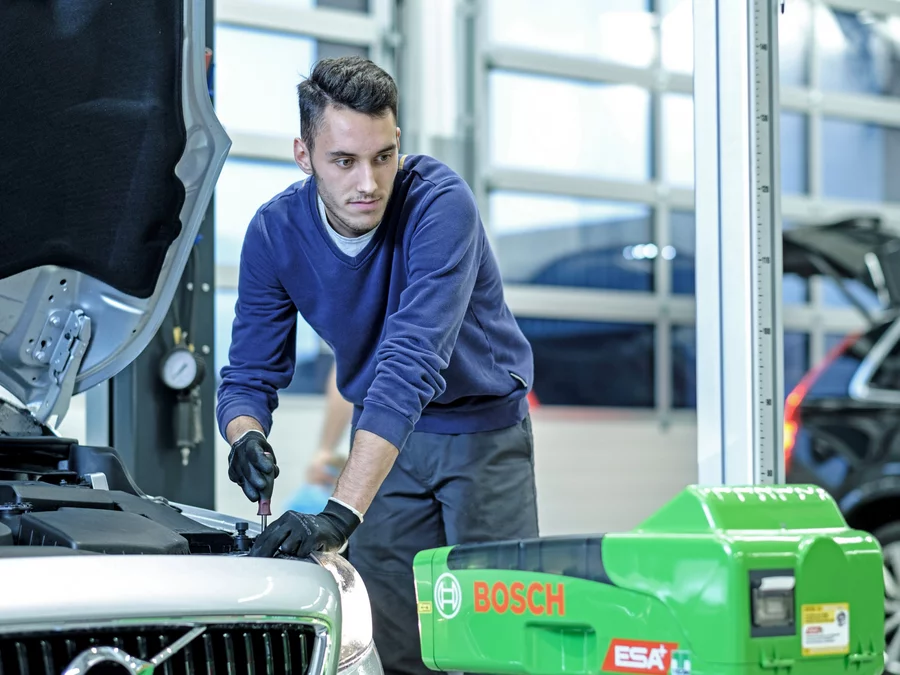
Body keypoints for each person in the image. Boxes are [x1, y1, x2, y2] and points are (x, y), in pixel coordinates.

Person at [216, 55, 539, 675]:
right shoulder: (275, 234)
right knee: (397, 642)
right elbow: (247, 376)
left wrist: (339, 513)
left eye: (383, 156)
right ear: (304, 155)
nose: (368, 182)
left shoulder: (440, 204)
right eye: (344, 161)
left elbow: (410, 361)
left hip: (481, 433)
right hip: (386, 441)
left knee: (497, 646)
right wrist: (245, 436)